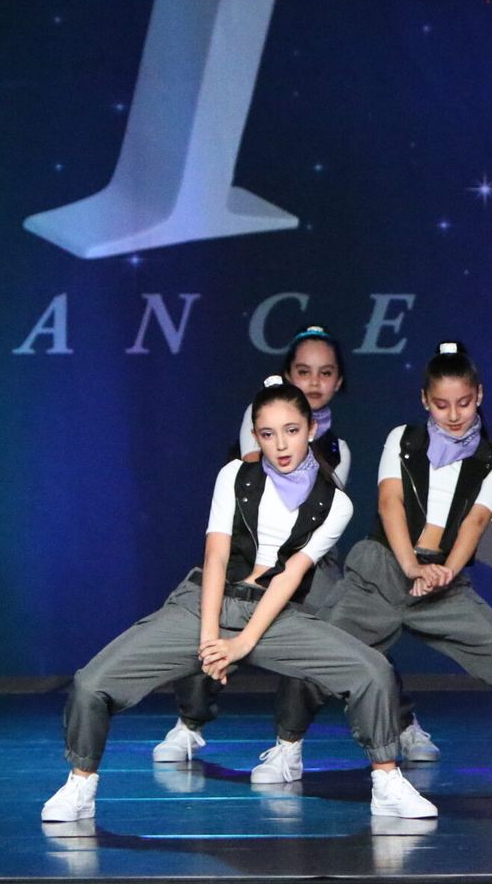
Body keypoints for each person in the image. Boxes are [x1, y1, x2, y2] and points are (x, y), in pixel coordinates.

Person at [42, 376, 435, 820]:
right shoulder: (236, 476)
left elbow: (291, 576)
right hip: (202, 604)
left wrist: (241, 644)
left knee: (372, 670)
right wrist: (212, 639)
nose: (280, 444)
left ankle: (386, 781)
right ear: (256, 436)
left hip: (272, 616)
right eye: (267, 434)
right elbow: (216, 554)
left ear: (310, 428)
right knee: (90, 683)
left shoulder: (335, 504)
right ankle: (81, 784)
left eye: (290, 430)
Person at [265, 341, 492, 782]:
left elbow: (475, 522)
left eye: (464, 403)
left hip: (443, 582)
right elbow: (390, 503)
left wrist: (445, 572)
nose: (453, 415)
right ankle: (286, 748)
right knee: (316, 652)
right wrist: (411, 567)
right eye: (441, 404)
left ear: (480, 397)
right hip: (380, 573)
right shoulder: (404, 438)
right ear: (424, 401)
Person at [153, 327, 439, 773]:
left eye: (326, 373)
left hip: (306, 560)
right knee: (209, 617)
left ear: (339, 381)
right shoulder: (261, 415)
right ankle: (189, 724)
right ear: (287, 374)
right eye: (303, 372)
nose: (314, 382)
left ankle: (389, 725)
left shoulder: (337, 448)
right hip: (247, 555)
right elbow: (256, 480)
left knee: (351, 624)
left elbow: (314, 515)